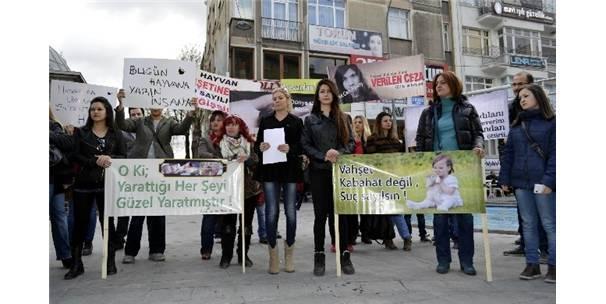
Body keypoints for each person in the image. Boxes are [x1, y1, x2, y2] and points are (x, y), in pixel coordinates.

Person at [414, 71, 485, 276]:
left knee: (464, 217)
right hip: (437, 169)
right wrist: (421, 161)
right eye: (436, 83)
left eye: (443, 83)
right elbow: (421, 139)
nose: (438, 86)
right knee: (440, 219)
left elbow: (478, 134)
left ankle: (467, 261)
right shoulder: (428, 113)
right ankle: (443, 260)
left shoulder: (468, 109)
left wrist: (478, 146)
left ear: (454, 85)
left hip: (462, 168)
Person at [115, 89, 196, 264]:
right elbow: (122, 125)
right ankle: (130, 251)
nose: (155, 105)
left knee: (158, 211)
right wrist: (120, 105)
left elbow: (182, 129)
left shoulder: (169, 122)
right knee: (138, 211)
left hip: (161, 170)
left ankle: (157, 250)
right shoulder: (139, 121)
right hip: (141, 171)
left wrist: (190, 114)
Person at [499, 84, 556, 283]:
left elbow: (556, 156)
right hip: (521, 184)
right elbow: (508, 155)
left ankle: (554, 266)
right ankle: (532, 265)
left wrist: (549, 181)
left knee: (550, 224)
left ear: (538, 97)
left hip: (543, 183)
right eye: (520, 97)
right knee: (528, 224)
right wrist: (504, 179)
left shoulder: (552, 123)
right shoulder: (516, 126)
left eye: (526, 96)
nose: (522, 99)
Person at [64, 96, 126, 279]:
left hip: (106, 185)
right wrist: (94, 161)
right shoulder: (81, 132)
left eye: (99, 109)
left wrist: (110, 159)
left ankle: (110, 262)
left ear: (107, 111)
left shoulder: (116, 134)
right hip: (84, 184)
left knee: (108, 224)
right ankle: (76, 264)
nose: (95, 112)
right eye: (92, 109)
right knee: (80, 225)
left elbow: (123, 155)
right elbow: (74, 155)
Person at [301, 79, 355, 276]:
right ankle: (319, 256)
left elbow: (350, 143)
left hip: (338, 172)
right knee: (320, 216)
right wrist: (323, 155)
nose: (325, 94)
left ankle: (344, 255)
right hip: (318, 172)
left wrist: (337, 152)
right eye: (321, 91)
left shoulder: (344, 118)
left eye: (328, 91)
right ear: (317, 96)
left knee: (339, 216)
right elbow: (305, 145)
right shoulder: (310, 119)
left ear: (334, 94)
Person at [255, 87, 304, 274]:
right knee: (271, 212)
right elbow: (257, 145)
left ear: (287, 100)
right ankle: (273, 256)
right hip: (269, 171)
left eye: (280, 98)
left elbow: (302, 144)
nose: (276, 101)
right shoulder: (265, 121)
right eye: (274, 98)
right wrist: (261, 146)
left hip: (290, 171)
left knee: (291, 213)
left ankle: (289, 253)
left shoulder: (297, 121)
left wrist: (290, 148)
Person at [502, 71, 548, 259]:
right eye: (513, 85)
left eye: (520, 84)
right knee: (524, 214)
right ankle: (526, 245)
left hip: (540, 173)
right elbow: (510, 144)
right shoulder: (512, 108)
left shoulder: (547, 116)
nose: (516, 89)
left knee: (545, 218)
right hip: (520, 171)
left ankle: (546, 250)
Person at [217, 115, 261, 269]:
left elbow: (257, 162)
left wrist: (248, 159)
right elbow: (214, 163)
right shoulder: (218, 143)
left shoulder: (250, 143)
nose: (231, 127)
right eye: (228, 124)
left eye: (234, 124)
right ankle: (226, 255)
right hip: (228, 190)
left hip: (249, 190)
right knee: (227, 225)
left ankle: (243, 254)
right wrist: (233, 158)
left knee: (246, 225)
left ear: (240, 127)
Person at [364, 112, 412, 251]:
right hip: (380, 179)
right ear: (379, 123)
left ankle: (401, 237)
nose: (388, 123)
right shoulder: (372, 139)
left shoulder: (396, 140)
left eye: (390, 120)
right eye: (385, 120)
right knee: (389, 211)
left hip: (394, 179)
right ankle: (396, 238)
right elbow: (371, 158)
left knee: (394, 210)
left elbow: (402, 158)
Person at [195, 110, 227, 260]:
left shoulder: (230, 138)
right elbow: (201, 153)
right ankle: (206, 249)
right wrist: (218, 158)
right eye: (213, 120)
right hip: (211, 184)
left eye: (219, 120)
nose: (215, 122)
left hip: (227, 184)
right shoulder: (205, 139)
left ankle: (227, 250)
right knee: (209, 217)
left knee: (228, 218)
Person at [114, 107, 144, 250]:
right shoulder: (121, 133)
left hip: (144, 176)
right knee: (125, 208)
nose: (136, 117)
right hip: (126, 175)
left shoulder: (148, 131)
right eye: (133, 114)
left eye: (138, 114)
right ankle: (119, 237)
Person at [50, 109, 74, 269]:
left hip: (55, 180)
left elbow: (67, 144)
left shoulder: (54, 126)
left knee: (59, 217)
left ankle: (66, 255)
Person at [352, 115, 371, 246]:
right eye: (355, 122)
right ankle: (353, 234)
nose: (358, 124)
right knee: (353, 208)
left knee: (365, 208)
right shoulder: (349, 139)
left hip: (366, 177)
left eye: (360, 122)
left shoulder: (368, 140)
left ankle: (365, 234)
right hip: (352, 177)